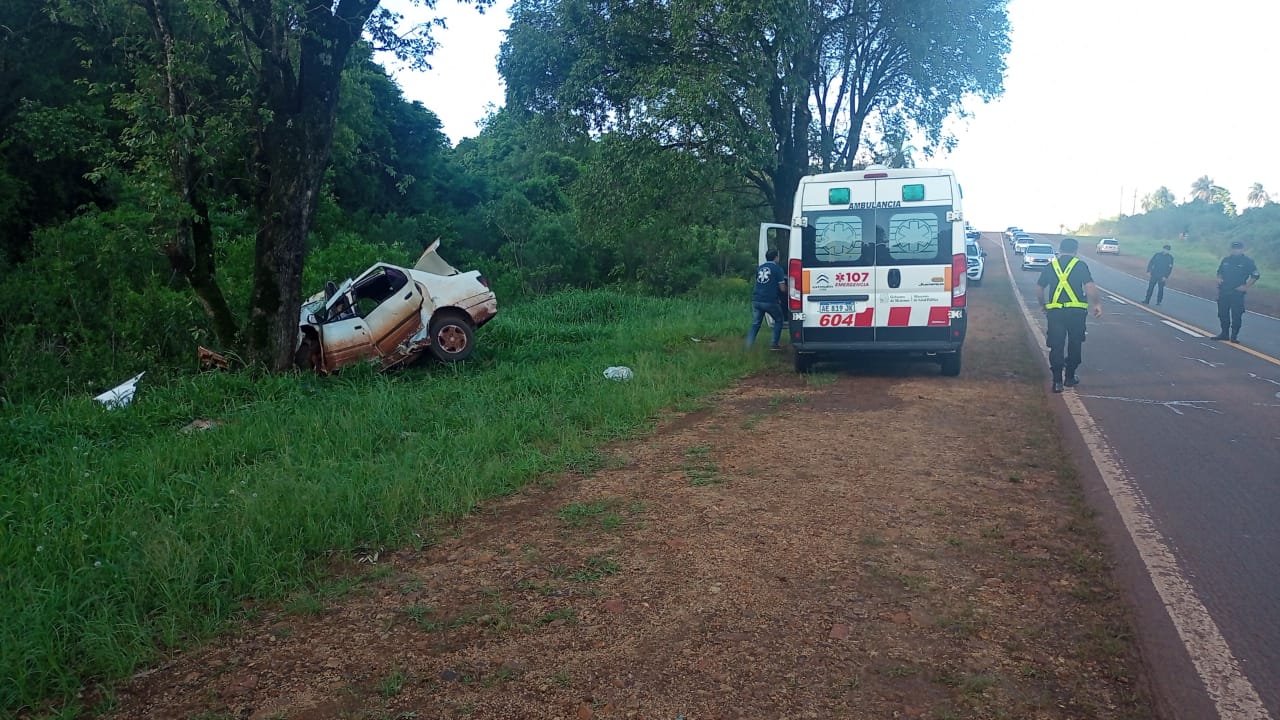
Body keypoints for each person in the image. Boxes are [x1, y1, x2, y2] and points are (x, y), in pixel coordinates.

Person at [1036, 236, 1103, 393]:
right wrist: (1097, 304)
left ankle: (1057, 382)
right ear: (1075, 250)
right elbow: (1090, 286)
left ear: (1060, 249)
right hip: (1076, 313)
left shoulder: (1051, 266)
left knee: (1056, 345)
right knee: (1075, 343)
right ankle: (1070, 377)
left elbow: (1039, 288)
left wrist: (1043, 305)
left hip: (1055, 312)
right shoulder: (1080, 265)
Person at [1212, 240, 1260, 342]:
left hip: (1237, 293)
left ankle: (1234, 336)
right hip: (1224, 291)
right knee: (1222, 313)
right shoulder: (1226, 260)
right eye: (1234, 248)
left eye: (1238, 248)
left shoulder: (1247, 261)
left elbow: (1255, 275)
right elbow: (1219, 272)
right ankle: (1224, 333)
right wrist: (1219, 278)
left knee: (1236, 314)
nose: (1236, 250)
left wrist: (1246, 286)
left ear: (1242, 249)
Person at [746, 248, 786, 350]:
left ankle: (748, 346)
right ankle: (774, 344)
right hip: (770, 301)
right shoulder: (778, 269)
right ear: (776, 257)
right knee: (779, 319)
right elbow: (782, 289)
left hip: (756, 299)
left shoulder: (760, 268)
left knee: (755, 324)